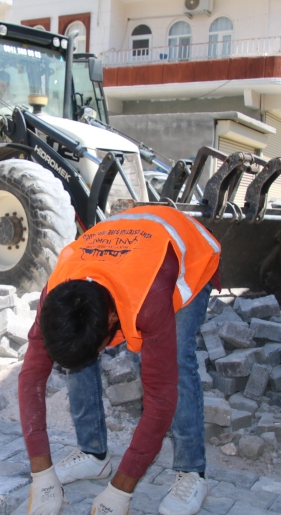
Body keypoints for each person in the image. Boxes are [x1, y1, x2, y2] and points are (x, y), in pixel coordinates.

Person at [19, 205, 221, 515]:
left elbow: (160, 398)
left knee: (176, 361)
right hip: (122, 250)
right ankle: (93, 455)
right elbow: (31, 377)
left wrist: (120, 492)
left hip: (187, 254)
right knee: (78, 351)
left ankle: (193, 472)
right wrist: (41, 475)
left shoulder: (149, 301)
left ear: (113, 316)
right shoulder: (58, 291)